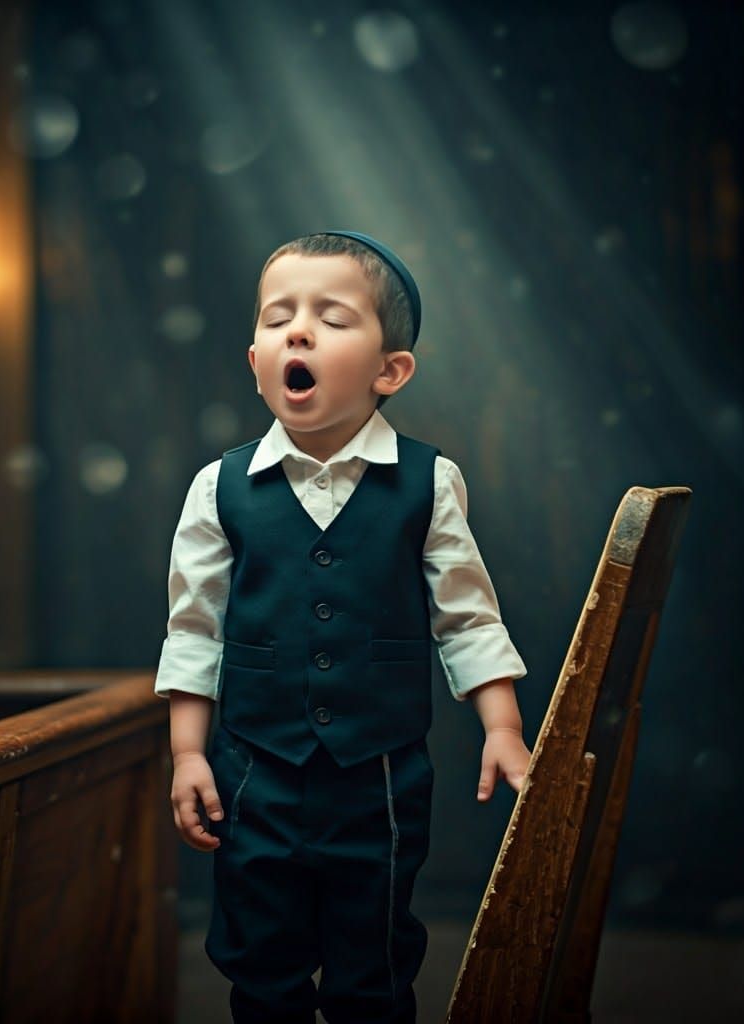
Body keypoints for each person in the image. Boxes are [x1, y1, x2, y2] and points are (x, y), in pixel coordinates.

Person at [154, 231, 531, 1024]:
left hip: (379, 778)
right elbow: (195, 630)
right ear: (255, 360)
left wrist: (501, 723)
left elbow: (466, 615)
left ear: (389, 371)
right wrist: (190, 751)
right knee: (261, 965)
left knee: (375, 968)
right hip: (255, 774)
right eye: (278, 318)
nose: (298, 331)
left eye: (331, 318)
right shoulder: (217, 489)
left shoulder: (428, 482)